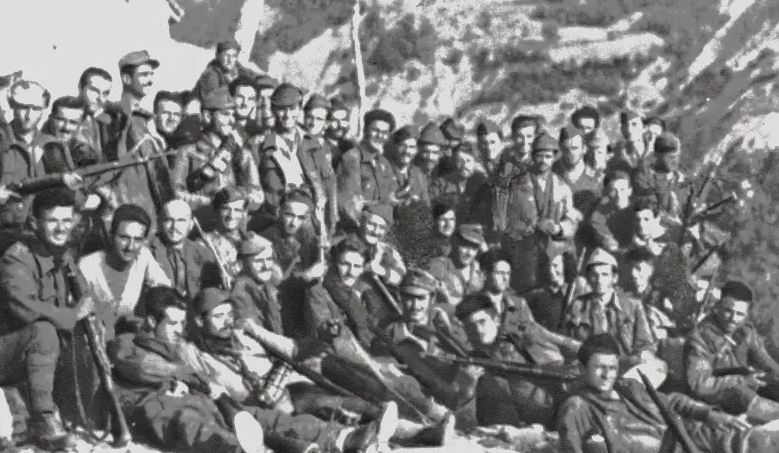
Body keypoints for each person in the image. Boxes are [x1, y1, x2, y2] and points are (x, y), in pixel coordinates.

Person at [186, 287, 401, 452]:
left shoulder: (243, 335)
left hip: (288, 385)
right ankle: (362, 431)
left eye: (229, 315)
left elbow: (289, 347)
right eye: (218, 317)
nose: (227, 322)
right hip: (257, 404)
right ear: (199, 320)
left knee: (323, 397)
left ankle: (380, 421)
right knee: (311, 407)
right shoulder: (194, 352)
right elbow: (201, 382)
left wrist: (255, 330)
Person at [109, 287, 266, 453]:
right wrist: (177, 381)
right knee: (196, 424)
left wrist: (209, 388)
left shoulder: (175, 347)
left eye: (182, 323)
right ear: (152, 322)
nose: (179, 329)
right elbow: (144, 367)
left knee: (259, 417)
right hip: (157, 409)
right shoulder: (128, 344)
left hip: (197, 405)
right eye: (173, 323)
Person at [0, 189, 93, 450]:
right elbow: (25, 309)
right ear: (35, 223)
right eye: (52, 221)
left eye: (66, 220)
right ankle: (44, 419)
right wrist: (73, 314)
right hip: (8, 351)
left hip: (32, 355)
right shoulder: (16, 257)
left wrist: (86, 303)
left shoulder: (63, 254)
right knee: (44, 332)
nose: (61, 228)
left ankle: (84, 412)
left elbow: (83, 292)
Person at [557, 333, 759, 453]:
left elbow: (670, 401)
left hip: (682, 439)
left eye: (612, 368)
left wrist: (707, 413)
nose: (607, 374)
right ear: (583, 369)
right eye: (599, 367)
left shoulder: (628, 387)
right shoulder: (578, 407)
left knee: (741, 438)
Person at [455, 293, 574, 428]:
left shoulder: (526, 338)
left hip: (550, 423)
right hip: (501, 432)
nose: (478, 330)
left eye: (482, 322)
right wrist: (467, 389)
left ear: (496, 319)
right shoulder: (470, 363)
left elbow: (570, 354)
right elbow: (463, 420)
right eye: (470, 326)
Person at [685, 280, 779, 423]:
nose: (734, 319)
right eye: (728, 311)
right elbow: (700, 383)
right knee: (741, 393)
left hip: (742, 392)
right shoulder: (699, 339)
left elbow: (766, 362)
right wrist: (741, 380)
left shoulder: (745, 333)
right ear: (717, 306)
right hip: (711, 401)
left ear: (746, 315)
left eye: (740, 314)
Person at [172, 87, 263, 229]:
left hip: (234, 228)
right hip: (199, 227)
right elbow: (176, 194)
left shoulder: (241, 154)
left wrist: (234, 199)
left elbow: (257, 196)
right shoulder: (187, 153)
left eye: (233, 115)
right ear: (207, 116)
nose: (231, 120)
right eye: (225, 114)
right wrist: (211, 203)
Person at [78, 203, 172, 339]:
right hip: (91, 338)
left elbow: (165, 288)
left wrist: (150, 316)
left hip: (127, 336)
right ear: (111, 236)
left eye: (138, 240)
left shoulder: (143, 257)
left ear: (144, 241)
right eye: (124, 238)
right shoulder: (88, 266)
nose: (130, 247)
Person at [502, 132, 581, 293]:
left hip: (554, 250)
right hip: (526, 251)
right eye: (539, 156)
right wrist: (535, 225)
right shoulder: (518, 185)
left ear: (553, 158)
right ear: (532, 156)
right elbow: (509, 219)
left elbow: (571, 217)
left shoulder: (562, 186)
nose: (543, 160)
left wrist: (559, 228)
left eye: (548, 156)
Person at [562, 248, 660, 374]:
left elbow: (645, 344)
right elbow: (568, 345)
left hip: (626, 368)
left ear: (614, 278)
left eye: (604, 275)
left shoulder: (633, 306)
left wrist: (642, 356)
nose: (599, 280)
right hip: (592, 370)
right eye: (594, 275)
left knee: (658, 367)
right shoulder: (577, 306)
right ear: (588, 278)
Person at [258, 83, 327, 222]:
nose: (287, 115)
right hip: (274, 220)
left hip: (309, 219)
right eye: (281, 109)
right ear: (273, 110)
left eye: (292, 108)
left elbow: (328, 186)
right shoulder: (259, 145)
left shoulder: (313, 144)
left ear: (300, 109)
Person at [336, 108, 399, 224]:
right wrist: (382, 204)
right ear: (365, 130)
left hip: (379, 225)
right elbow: (350, 205)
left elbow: (392, 195)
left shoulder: (384, 163)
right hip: (356, 225)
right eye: (375, 130)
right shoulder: (352, 158)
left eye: (385, 133)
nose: (380, 136)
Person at [148, 199, 219, 300]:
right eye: (169, 220)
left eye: (181, 220)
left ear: (191, 225)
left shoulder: (204, 253)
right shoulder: (148, 252)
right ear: (159, 223)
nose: (174, 226)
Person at [632, 131, 691, 223]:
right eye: (670, 157)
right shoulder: (643, 175)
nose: (675, 160)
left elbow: (685, 206)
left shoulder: (677, 177)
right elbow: (648, 207)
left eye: (677, 156)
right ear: (657, 156)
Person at [427, 224, 485, 307]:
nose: (469, 253)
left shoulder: (479, 271)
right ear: (455, 243)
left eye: (474, 248)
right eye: (465, 246)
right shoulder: (438, 266)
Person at [202, 187, 250, 288]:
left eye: (237, 210)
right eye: (226, 209)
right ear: (216, 210)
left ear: (243, 214)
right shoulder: (204, 243)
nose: (231, 216)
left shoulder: (251, 242)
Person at [429, 144, 487, 221]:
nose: (465, 165)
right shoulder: (440, 183)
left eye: (468, 161)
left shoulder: (481, 182)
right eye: (460, 161)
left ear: (475, 163)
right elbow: (430, 207)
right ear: (453, 162)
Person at [553, 124, 601, 217]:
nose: (570, 153)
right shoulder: (551, 173)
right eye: (565, 149)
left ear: (584, 149)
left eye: (574, 148)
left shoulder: (597, 178)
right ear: (560, 148)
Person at [586, 170, 635, 253]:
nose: (618, 194)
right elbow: (598, 225)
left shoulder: (638, 210)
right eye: (614, 190)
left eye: (622, 189)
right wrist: (607, 239)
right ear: (607, 192)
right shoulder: (602, 209)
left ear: (630, 191)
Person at [387, 126, 429, 207]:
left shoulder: (419, 175)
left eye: (411, 147)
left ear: (416, 150)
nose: (407, 151)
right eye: (402, 146)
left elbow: (426, 206)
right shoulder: (384, 170)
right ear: (395, 146)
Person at [607, 110, 650, 174]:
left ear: (644, 128)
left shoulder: (652, 151)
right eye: (625, 125)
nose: (629, 129)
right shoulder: (614, 151)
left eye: (634, 124)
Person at [414, 122, 449, 192]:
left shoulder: (444, 173)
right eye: (426, 152)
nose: (430, 157)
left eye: (434, 153)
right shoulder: (410, 172)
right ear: (419, 151)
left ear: (440, 154)